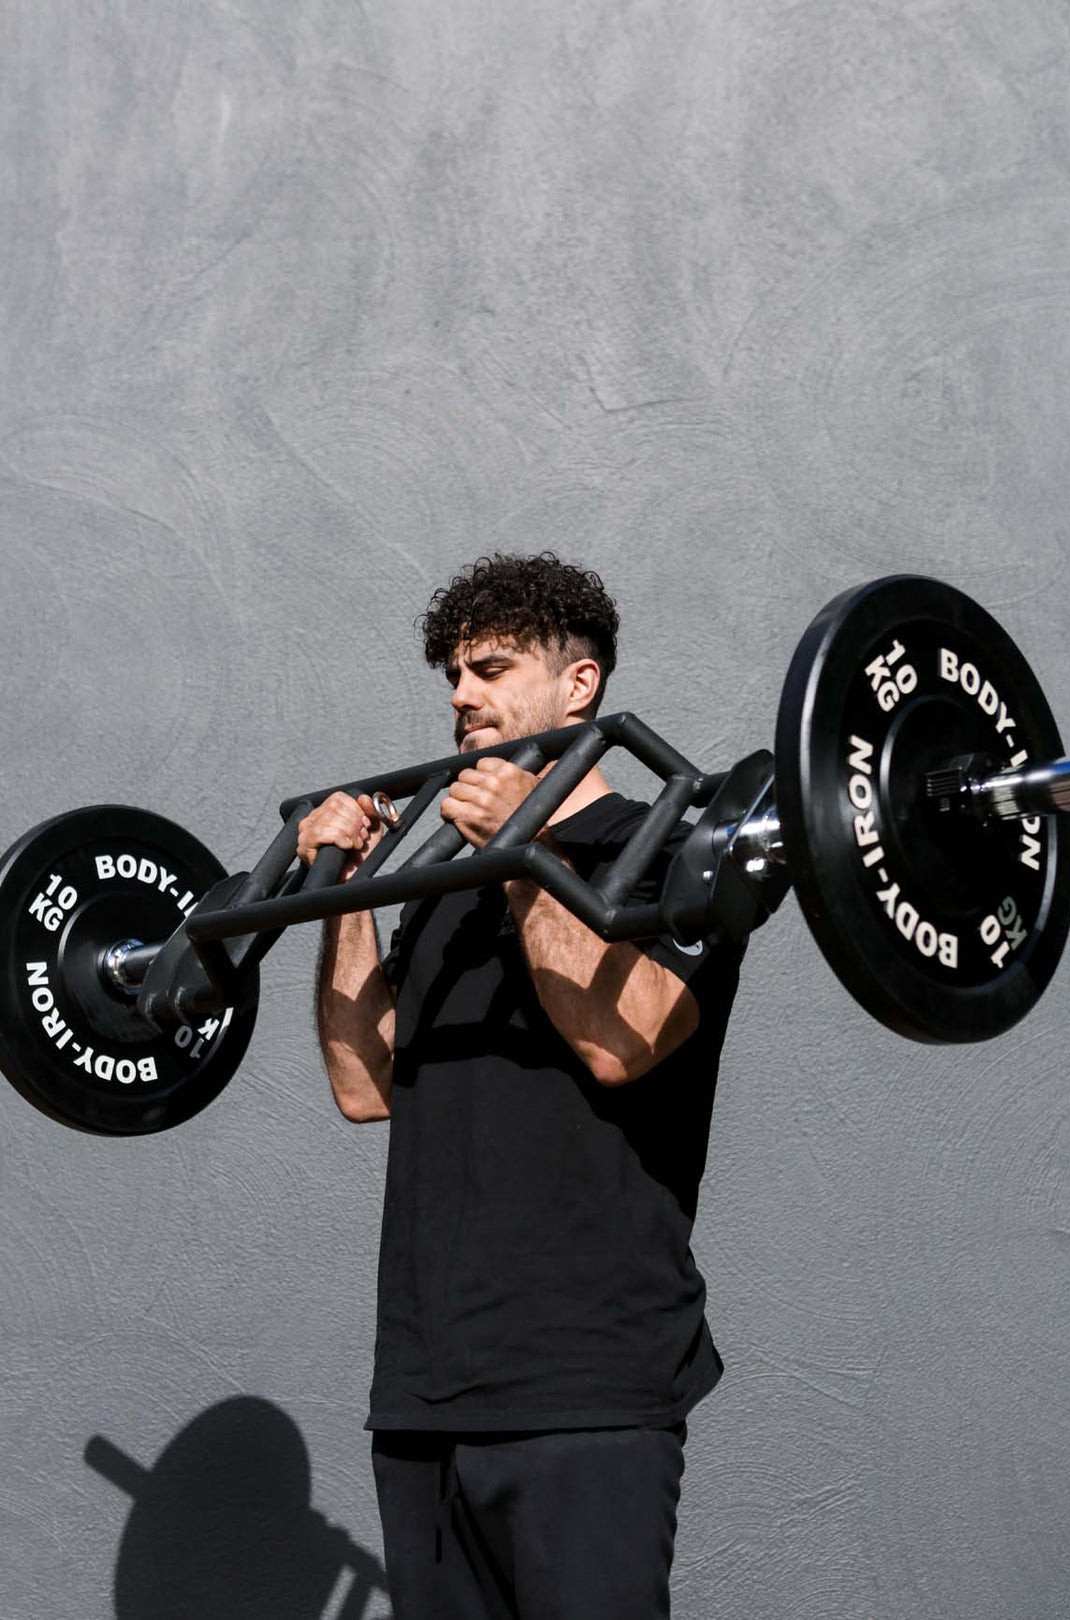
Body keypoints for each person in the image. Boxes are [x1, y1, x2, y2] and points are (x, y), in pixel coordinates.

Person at [297, 553, 747, 1620]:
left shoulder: (673, 846)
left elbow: (618, 1041)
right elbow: (365, 1084)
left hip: (585, 1381)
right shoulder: (448, 883)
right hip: (426, 1388)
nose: (461, 697)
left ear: (578, 684)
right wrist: (347, 899)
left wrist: (519, 847)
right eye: (453, 676)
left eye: (490, 669)